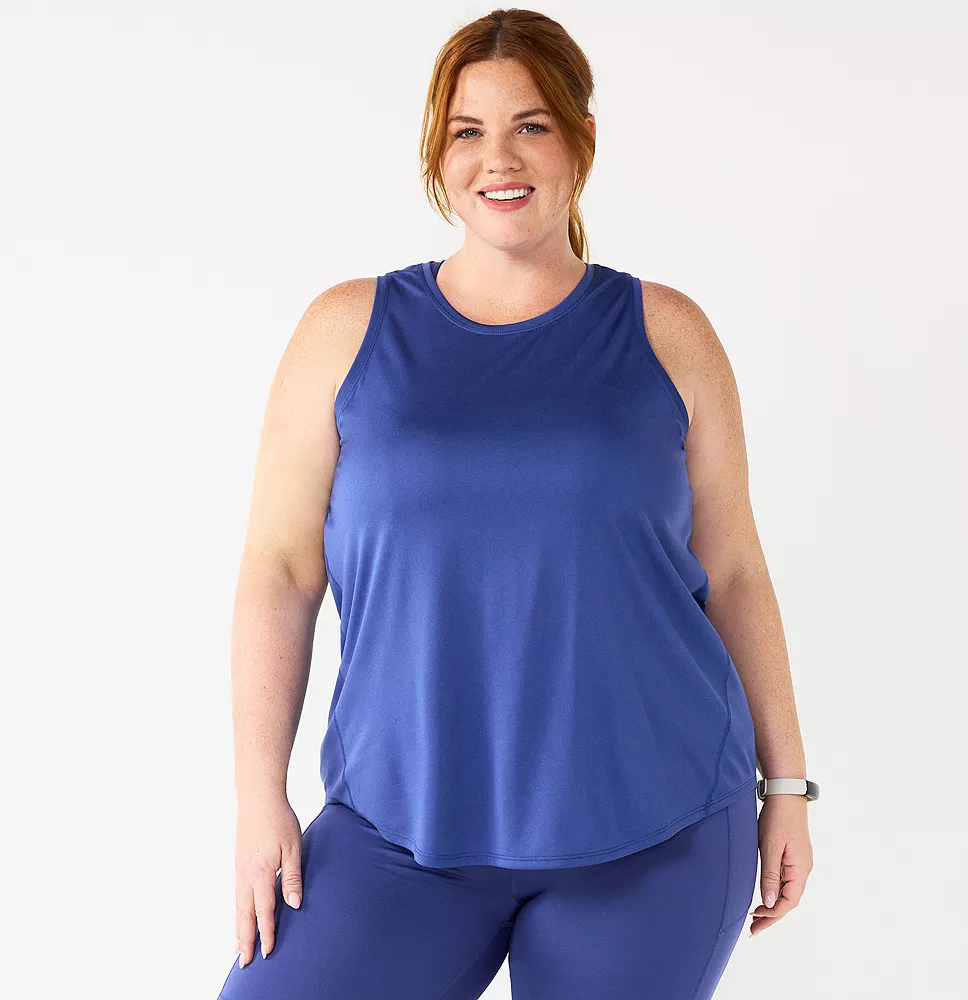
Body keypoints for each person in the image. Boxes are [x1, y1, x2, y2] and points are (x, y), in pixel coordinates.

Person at [216, 9, 817, 1000]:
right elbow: (277, 571)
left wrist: (785, 783)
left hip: (652, 829)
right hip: (399, 830)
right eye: (468, 130)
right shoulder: (344, 333)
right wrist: (257, 795)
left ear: (581, 141)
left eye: (531, 125)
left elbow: (736, 569)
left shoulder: (669, 335)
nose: (499, 157)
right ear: (437, 153)